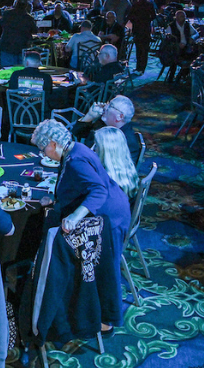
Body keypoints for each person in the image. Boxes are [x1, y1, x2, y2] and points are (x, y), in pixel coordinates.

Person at [30, 120, 130, 331]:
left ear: (53, 143)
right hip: (111, 209)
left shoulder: (75, 160)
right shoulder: (76, 149)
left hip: (109, 216)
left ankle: (107, 321)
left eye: (43, 148)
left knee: (107, 270)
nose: (43, 154)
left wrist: (75, 216)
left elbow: (98, 190)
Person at [72, 95, 140, 164]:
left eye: (111, 106)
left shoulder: (128, 142)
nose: (105, 107)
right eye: (108, 103)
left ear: (120, 116)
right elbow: (76, 133)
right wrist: (89, 116)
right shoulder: (103, 123)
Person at [94, 126, 140, 199]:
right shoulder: (126, 167)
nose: (94, 149)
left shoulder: (105, 179)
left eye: (96, 145)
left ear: (105, 150)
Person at [0, 0, 37, 67]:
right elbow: (34, 31)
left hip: (7, 46)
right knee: (20, 71)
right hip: (21, 48)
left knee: (7, 71)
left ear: (16, 3)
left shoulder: (7, 14)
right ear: (26, 6)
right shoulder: (29, 18)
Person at [126, 0, 156, 74]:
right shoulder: (149, 4)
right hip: (146, 29)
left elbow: (130, 17)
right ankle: (142, 68)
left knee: (139, 49)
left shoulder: (135, 5)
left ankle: (138, 67)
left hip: (137, 29)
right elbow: (153, 16)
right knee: (145, 49)